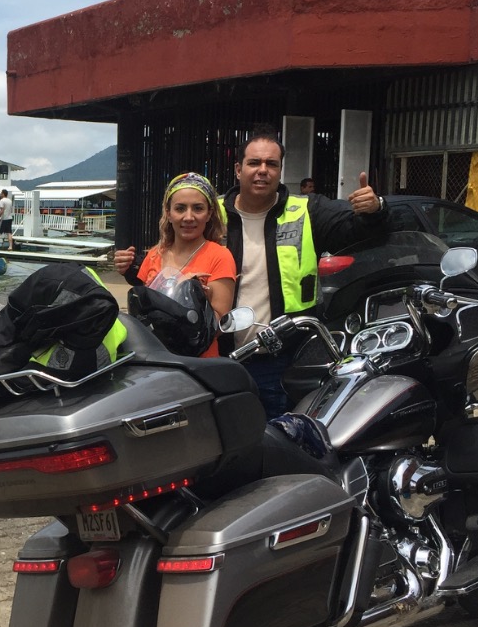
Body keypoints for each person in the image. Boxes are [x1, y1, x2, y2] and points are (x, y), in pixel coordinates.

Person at [219, 124, 389, 417]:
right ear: (238, 169)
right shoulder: (213, 214)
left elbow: (360, 233)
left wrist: (375, 210)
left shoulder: (306, 211)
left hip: (281, 357)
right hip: (218, 355)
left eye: (271, 164)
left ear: (281, 170)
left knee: (275, 440)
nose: (262, 170)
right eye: (254, 163)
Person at [113, 172, 236, 357]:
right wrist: (126, 267)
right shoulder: (155, 254)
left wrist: (197, 299)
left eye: (198, 208)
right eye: (180, 208)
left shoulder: (220, 256)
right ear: (168, 214)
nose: (188, 217)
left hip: (199, 364)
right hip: (156, 359)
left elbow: (221, 324)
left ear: (209, 213)